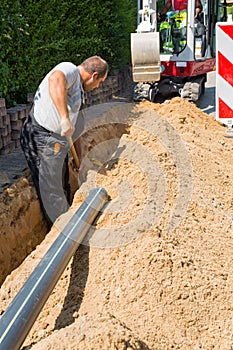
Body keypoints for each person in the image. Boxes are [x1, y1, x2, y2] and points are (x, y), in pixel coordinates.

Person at [20, 56, 108, 227]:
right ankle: (59, 231)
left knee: (63, 183)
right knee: (52, 189)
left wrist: (79, 157)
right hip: (40, 137)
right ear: (94, 75)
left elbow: (76, 129)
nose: (98, 87)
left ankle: (67, 219)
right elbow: (55, 79)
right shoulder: (70, 70)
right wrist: (64, 118)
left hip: (57, 142)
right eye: (100, 82)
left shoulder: (78, 92)